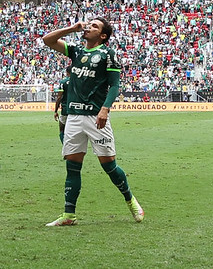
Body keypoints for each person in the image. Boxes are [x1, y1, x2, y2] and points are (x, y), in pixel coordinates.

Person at [42, 17, 144, 226]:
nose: (89, 27)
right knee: (72, 166)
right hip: (74, 117)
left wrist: (105, 109)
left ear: (103, 36)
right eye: (89, 24)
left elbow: (114, 86)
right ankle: (69, 215)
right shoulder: (77, 52)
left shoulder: (108, 54)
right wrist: (72, 28)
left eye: (94, 26)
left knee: (109, 166)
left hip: (96, 117)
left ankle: (130, 199)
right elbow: (48, 40)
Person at [53, 67, 72, 143]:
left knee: (62, 129)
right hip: (76, 109)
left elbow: (59, 97)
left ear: (67, 72)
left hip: (65, 109)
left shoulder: (63, 82)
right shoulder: (78, 81)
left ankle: (65, 145)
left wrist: (55, 111)